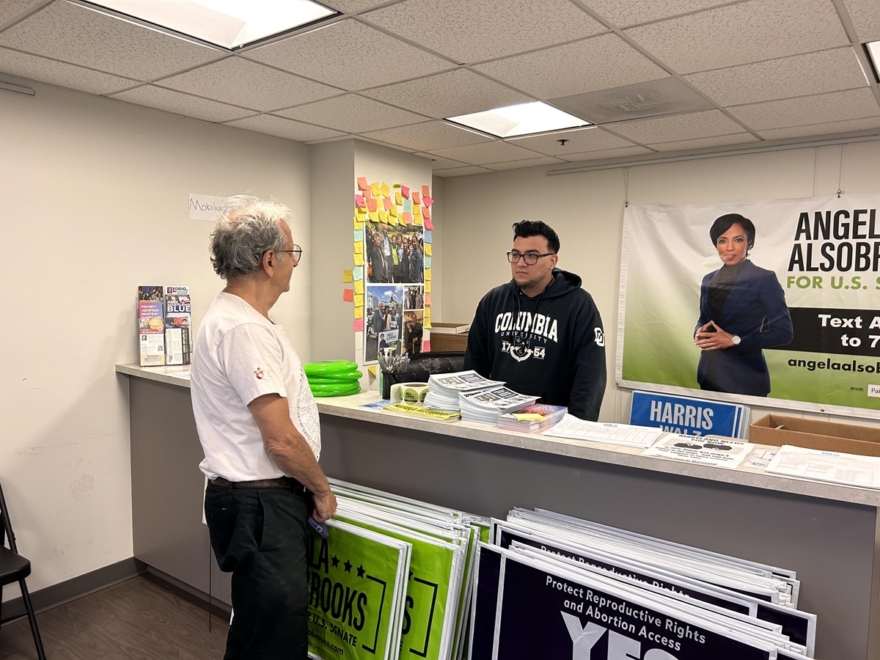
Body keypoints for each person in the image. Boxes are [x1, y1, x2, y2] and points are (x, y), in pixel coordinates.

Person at [190, 195, 337, 660]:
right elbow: (280, 440)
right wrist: (321, 489)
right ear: (270, 260)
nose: (295, 262)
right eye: (292, 253)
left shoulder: (244, 321)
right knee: (274, 635)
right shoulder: (242, 331)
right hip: (262, 504)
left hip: (254, 502)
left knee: (257, 625)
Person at [464, 220, 606, 421]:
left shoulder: (579, 305)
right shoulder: (493, 301)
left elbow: (590, 377)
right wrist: (472, 416)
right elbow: (474, 366)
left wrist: (575, 428)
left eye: (531, 256)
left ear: (552, 261)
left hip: (553, 426)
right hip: (497, 422)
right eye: (515, 255)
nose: (521, 263)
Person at [694, 213, 793, 396]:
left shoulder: (764, 279)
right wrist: (699, 331)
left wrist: (734, 340)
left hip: (745, 379)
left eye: (738, 240)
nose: (729, 247)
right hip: (709, 374)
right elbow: (703, 318)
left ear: (749, 243)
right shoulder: (709, 279)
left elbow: (783, 333)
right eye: (722, 240)